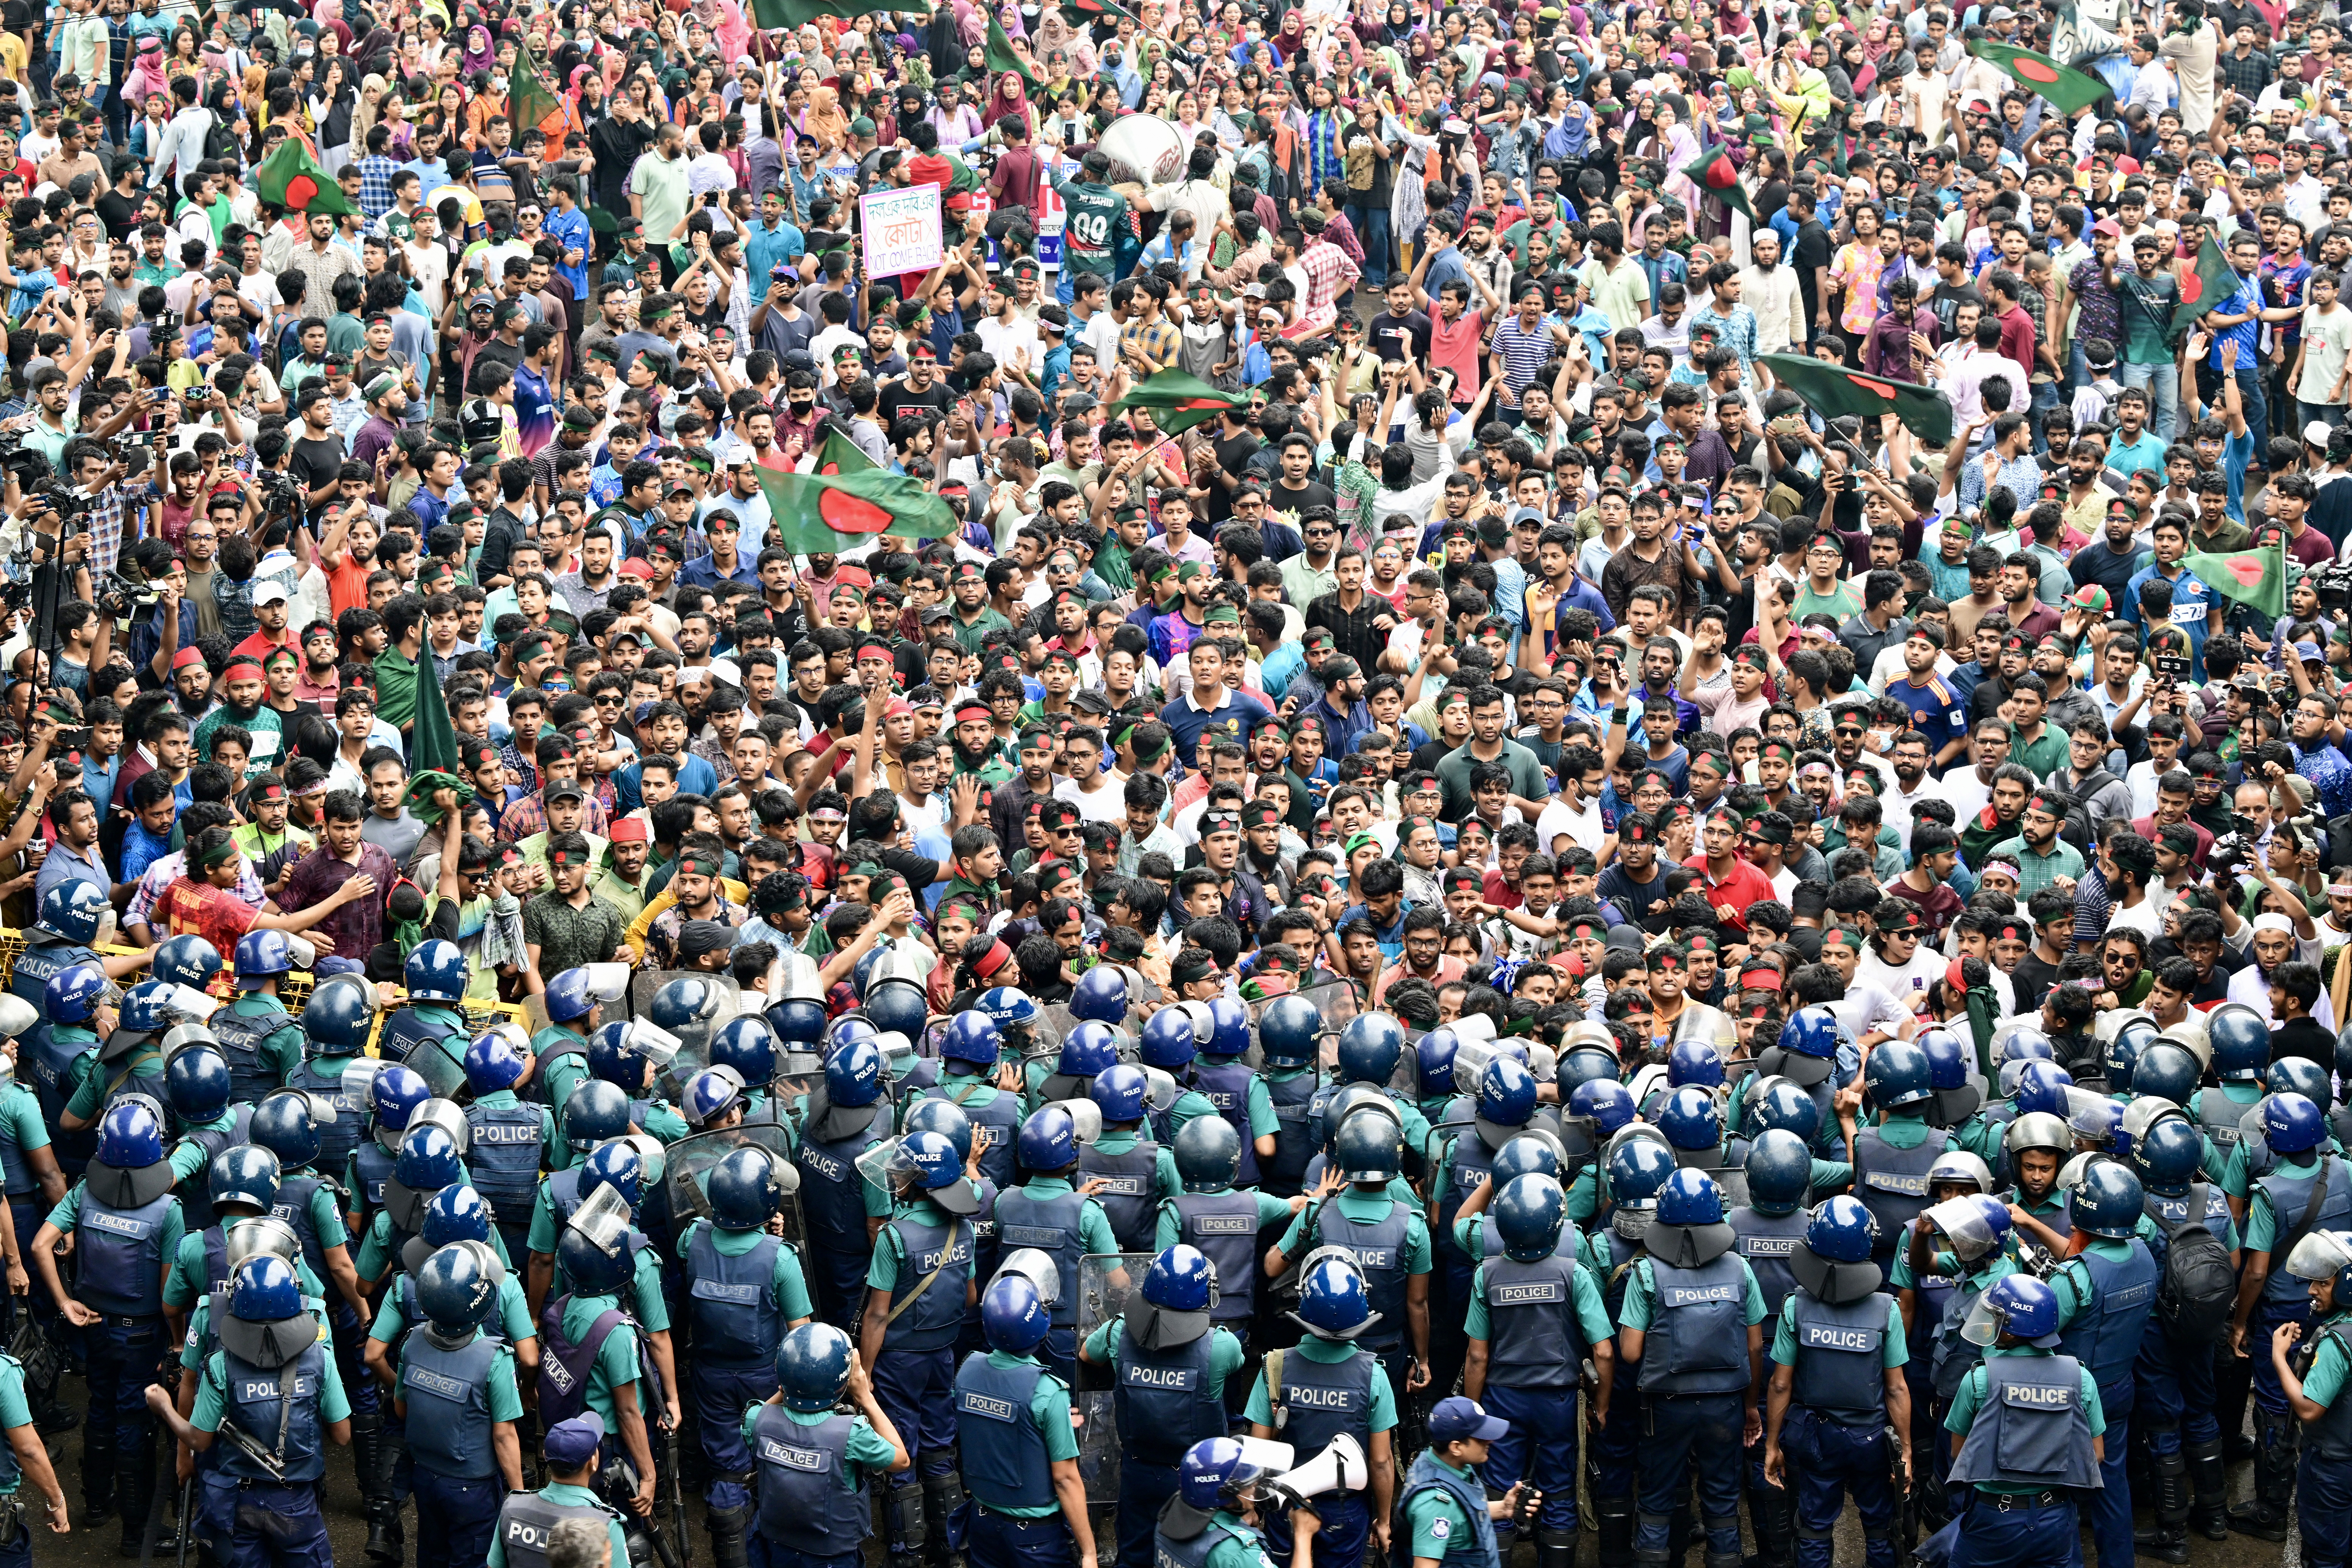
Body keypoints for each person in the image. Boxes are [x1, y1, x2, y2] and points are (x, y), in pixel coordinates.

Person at [143, 1255, 353, 1568]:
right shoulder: (320, 1359)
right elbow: (342, 1435)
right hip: (296, 1502)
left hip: (237, 1502)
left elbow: (199, 1441)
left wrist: (164, 1407)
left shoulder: (219, 1365)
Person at [1460, 1173, 1615, 1568]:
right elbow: (1604, 1352)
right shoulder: (1573, 1274)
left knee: (1498, 1495)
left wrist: (1472, 1414)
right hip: (1559, 1403)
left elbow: (1477, 1357)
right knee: (1560, 1493)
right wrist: (1600, 1406)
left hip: (1501, 1402)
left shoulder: (1486, 1275)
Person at [1761, 1195, 1909, 1568]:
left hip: (1818, 1437)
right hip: (1871, 1440)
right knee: (1880, 1527)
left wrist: (1772, 1444)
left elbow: (1780, 1384)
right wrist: (1905, 1449)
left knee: (1813, 1527)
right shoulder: (1887, 1310)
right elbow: (1896, 1388)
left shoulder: (1795, 1306)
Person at [1940, 1275, 2105, 1568]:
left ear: (2013, 1331)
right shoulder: (2081, 1379)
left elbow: (1958, 1453)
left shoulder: (1980, 1379)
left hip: (1994, 1518)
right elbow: (2097, 1455)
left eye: (1997, 1318)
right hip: (2055, 1516)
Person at [953, 1272, 1098, 1568]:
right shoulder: (1048, 1391)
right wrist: (1089, 1553)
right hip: (1034, 1541)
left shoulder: (967, 1371)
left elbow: (988, 1424)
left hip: (982, 1525)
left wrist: (1045, 1424)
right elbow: (1066, 1479)